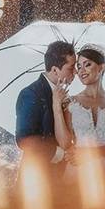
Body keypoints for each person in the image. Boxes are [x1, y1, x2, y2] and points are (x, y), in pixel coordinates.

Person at [52, 43, 105, 175]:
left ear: (101, 67)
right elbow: (64, 143)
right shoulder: (71, 103)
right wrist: (56, 107)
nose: (81, 71)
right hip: (78, 173)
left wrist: (91, 153)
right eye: (79, 66)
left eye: (87, 64)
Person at [15, 40, 76, 179]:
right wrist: (58, 153)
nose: (76, 72)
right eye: (71, 68)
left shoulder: (65, 95)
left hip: (62, 178)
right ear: (55, 70)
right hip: (36, 179)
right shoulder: (30, 94)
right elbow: (24, 139)